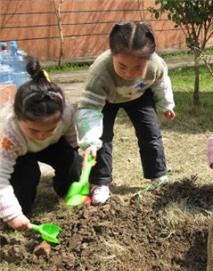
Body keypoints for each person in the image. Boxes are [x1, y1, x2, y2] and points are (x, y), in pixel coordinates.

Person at [75, 21, 175, 204]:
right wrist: (89, 140)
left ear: (150, 59)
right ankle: (100, 182)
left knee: (150, 133)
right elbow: (89, 108)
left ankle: (158, 175)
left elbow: (162, 83)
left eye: (138, 67)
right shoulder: (100, 73)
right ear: (112, 55)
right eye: (122, 66)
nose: (129, 73)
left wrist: (166, 105)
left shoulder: (155, 65)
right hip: (107, 99)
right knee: (102, 139)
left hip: (139, 95)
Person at [0, 57, 81, 231]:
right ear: (17, 116)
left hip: (52, 145)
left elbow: (70, 136)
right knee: (28, 176)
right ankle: (22, 210)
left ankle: (64, 191)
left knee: (72, 162)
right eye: (35, 130)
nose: (41, 136)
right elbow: (1, 179)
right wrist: (13, 214)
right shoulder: (9, 133)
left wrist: (75, 156)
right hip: (20, 149)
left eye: (49, 128)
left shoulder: (65, 113)